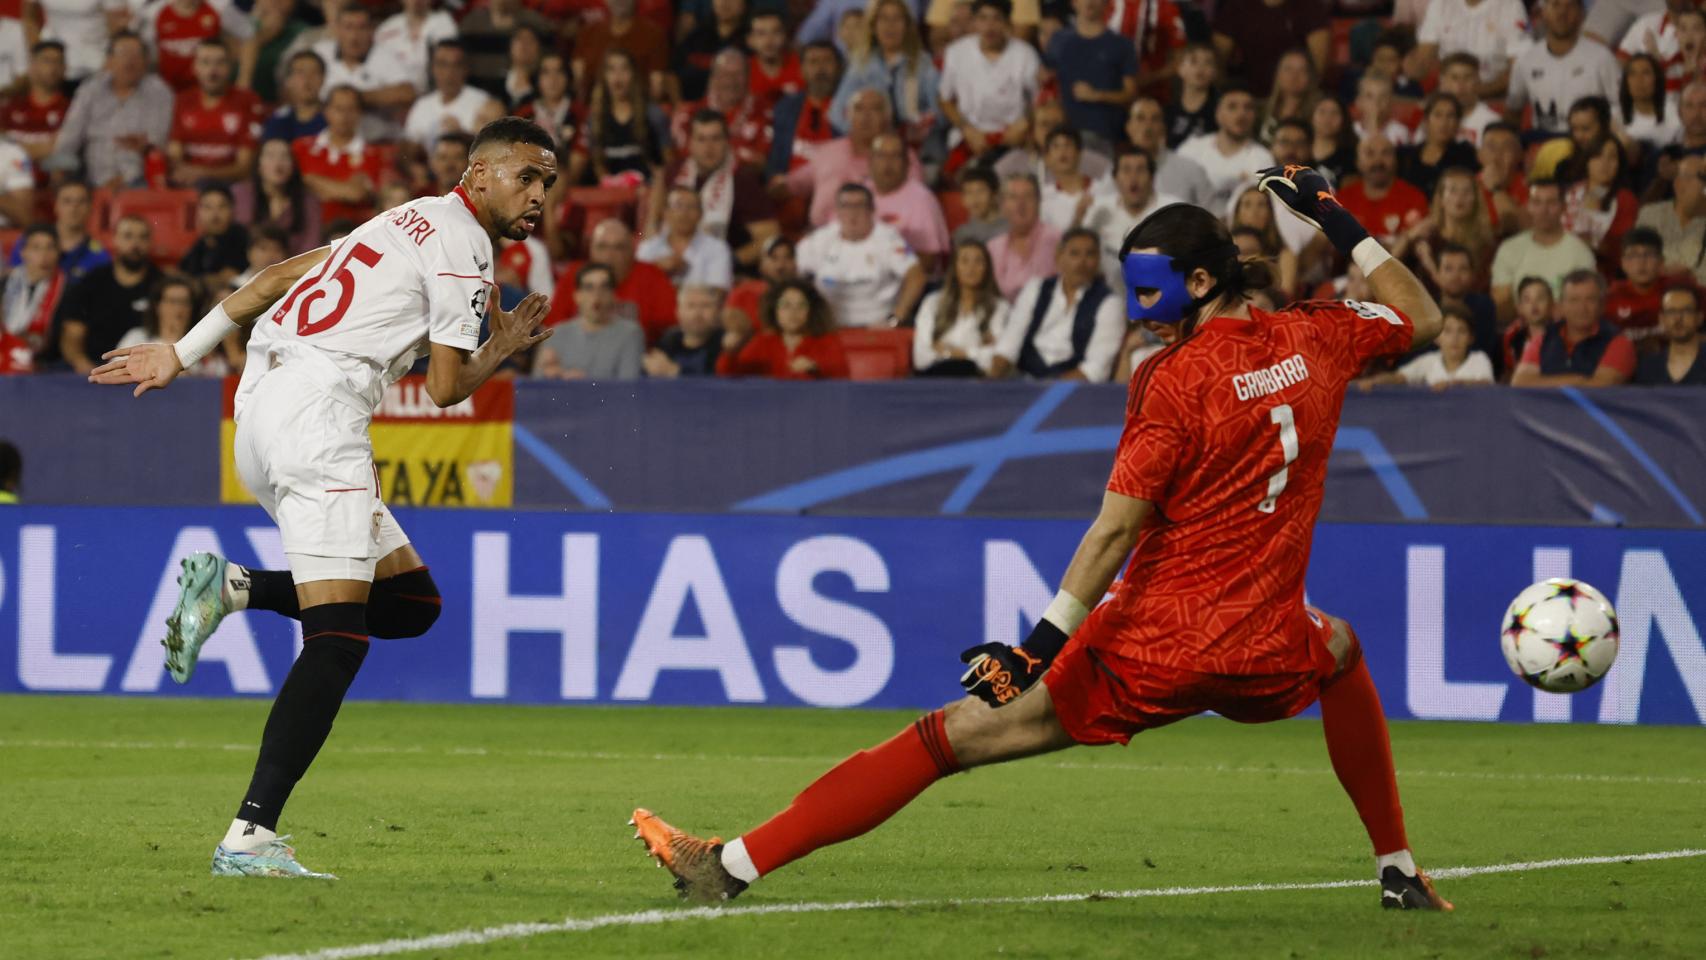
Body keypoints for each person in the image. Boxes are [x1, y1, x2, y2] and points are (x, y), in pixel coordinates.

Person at [630, 167, 1454, 916]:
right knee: (1340, 646)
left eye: (1150, 293)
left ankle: (730, 864)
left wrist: (1036, 648)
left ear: (1200, 283)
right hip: (1265, 640)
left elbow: (1116, 529)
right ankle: (1398, 869)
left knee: (944, 738)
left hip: (1154, 644)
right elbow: (1422, 314)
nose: (1140, 312)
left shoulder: (1173, 379)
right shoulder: (1316, 338)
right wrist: (1333, 217)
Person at [87, 117, 559, 879]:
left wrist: (181, 352)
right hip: (320, 418)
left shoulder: (400, 219)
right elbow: (444, 390)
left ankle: (233, 587)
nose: (538, 195)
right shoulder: (467, 246)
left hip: (262, 410)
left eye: (548, 184)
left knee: (409, 604)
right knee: (337, 640)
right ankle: (249, 837)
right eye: (526, 176)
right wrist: (500, 350)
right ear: (477, 176)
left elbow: (273, 280)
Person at [43, 31, 174, 189]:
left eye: (136, 55)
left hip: (139, 180)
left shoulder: (159, 92)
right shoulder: (91, 90)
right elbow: (69, 137)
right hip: (91, 182)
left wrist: (123, 179)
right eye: (123, 54)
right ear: (109, 60)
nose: (129, 61)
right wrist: (59, 170)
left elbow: (158, 144)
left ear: (146, 61)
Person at [990, 226, 1123, 380]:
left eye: (1090, 254)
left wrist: (1049, 392)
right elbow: (1008, 346)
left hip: (1073, 391)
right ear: (1059, 257)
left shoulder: (1110, 303)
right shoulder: (1036, 288)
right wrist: (989, 386)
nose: (1082, 262)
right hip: (1025, 380)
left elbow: (1096, 368)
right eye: (1074, 254)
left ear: (1098, 260)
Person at [659, 109, 780, 268]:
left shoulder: (743, 181)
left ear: (727, 142)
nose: (708, 148)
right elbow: (649, 226)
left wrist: (731, 260)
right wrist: (650, 251)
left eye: (715, 139)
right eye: (701, 139)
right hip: (669, 264)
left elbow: (769, 236)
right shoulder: (673, 172)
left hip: (722, 272)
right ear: (690, 144)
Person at [796, 183, 926, 328]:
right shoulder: (818, 241)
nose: (853, 212)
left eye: (859, 205)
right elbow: (793, 276)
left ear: (871, 210)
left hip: (877, 326)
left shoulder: (889, 238)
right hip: (829, 326)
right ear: (837, 211)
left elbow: (916, 276)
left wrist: (894, 320)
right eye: (846, 206)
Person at [938, 0, 1038, 174]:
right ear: (974, 22)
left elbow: (1041, 100)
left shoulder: (1025, 54)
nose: (989, 26)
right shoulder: (956, 52)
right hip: (971, 137)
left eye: (997, 19)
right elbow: (944, 99)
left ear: (1008, 23)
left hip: (1014, 138)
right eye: (983, 19)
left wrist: (1025, 123)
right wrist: (967, 129)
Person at [829, 0, 940, 153]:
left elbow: (940, 113)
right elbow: (835, 112)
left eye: (897, 19)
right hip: (872, 150)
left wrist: (923, 126)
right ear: (874, 27)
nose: (890, 26)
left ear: (907, 26)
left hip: (916, 149)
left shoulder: (924, 65)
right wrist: (863, 134)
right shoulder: (861, 64)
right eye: (884, 19)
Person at [56, 215, 162, 375]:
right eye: (128, 236)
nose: (135, 244)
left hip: (147, 373)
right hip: (94, 369)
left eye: (143, 237)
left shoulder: (161, 285)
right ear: (114, 240)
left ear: (150, 242)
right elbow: (72, 334)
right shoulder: (90, 283)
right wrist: (84, 365)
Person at [545, 219, 678, 339]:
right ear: (590, 250)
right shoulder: (574, 274)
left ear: (632, 251)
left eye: (619, 247)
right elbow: (553, 327)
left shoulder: (652, 276)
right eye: (602, 247)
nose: (610, 255)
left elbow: (672, 326)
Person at [1508, 0, 1620, 137]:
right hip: (1543, 142)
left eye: (1570, 6)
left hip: (1590, 142)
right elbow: (1513, 111)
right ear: (1543, 13)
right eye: (1555, 5)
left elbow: (1620, 106)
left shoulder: (1603, 58)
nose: (1562, 12)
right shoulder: (1525, 61)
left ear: (1582, 14)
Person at [1490, 180, 1596, 323]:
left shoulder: (1580, 253)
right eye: (1537, 202)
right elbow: (1500, 305)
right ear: (1528, 206)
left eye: (1551, 203)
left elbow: (1586, 306)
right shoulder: (1509, 249)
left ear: (1563, 207)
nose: (1544, 210)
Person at [1511, 268, 1636, 386]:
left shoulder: (1619, 342)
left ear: (1602, 305)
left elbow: (1600, 387)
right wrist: (1579, 380)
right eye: (1574, 300)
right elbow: (1520, 382)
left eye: (1590, 300)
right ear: (1561, 306)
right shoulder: (1543, 339)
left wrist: (1542, 382)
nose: (1582, 308)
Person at [168, 40, 265, 188]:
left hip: (232, 186)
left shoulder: (248, 101)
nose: (212, 71)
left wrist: (202, 173)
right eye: (205, 62)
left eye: (220, 63)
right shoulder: (183, 100)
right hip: (188, 183)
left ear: (230, 67)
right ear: (195, 67)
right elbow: (175, 155)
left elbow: (244, 168)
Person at [717, 277, 850, 379]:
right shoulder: (763, 343)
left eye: (801, 305)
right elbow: (729, 377)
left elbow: (842, 375)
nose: (794, 312)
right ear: (774, 311)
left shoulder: (827, 341)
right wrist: (730, 353)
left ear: (811, 311)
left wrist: (816, 368)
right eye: (786, 306)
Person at [1082, 147, 1176, 289]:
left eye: (1140, 170)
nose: (1133, 178)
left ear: (1152, 177)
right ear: (1115, 178)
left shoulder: (1173, 209)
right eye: (1126, 170)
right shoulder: (1098, 209)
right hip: (1106, 291)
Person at [1049, 0, 1138, 150]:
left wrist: (1097, 95)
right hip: (1063, 136)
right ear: (1073, 3)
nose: (1089, 2)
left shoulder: (1122, 45)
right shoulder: (1058, 40)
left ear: (1106, 3)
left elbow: (1131, 94)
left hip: (1105, 136)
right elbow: (1047, 80)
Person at [913, 239, 1010, 375]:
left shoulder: (1000, 308)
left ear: (987, 268)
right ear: (954, 267)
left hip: (979, 381)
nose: (971, 268)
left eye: (978, 261)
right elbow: (921, 358)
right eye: (965, 261)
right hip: (937, 380)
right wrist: (977, 352)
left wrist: (958, 353)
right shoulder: (932, 303)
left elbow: (999, 357)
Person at [535, 262, 645, 380]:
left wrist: (582, 384)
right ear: (577, 296)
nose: (596, 295)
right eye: (589, 288)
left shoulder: (630, 333)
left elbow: (628, 389)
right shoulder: (555, 334)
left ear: (613, 295)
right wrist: (550, 377)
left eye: (604, 287)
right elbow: (534, 386)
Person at [580, 49, 670, 188]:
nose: (618, 76)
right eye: (611, 69)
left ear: (634, 75)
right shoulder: (595, 118)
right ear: (604, 76)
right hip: (611, 193)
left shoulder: (653, 114)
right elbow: (599, 165)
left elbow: (667, 163)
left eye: (624, 69)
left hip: (646, 190)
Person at [1176, 87, 1275, 212]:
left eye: (1248, 108)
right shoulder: (1191, 150)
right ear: (1218, 113)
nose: (1241, 114)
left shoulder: (1263, 158)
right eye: (1232, 107)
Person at [867, 131, 950, 271]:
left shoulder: (922, 199)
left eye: (895, 156)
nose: (888, 163)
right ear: (870, 162)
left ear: (906, 164)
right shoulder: (860, 193)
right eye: (881, 156)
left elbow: (929, 261)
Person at [117, 275, 230, 377]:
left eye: (184, 302)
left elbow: (219, 380)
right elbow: (116, 372)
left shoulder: (202, 342)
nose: (178, 309)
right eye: (172, 301)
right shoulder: (136, 338)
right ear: (158, 306)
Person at [1211, 0, 1330, 96]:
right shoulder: (1236, 6)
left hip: (1295, 96)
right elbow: (1216, 61)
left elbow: (1317, 66)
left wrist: (1303, 99)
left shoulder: (1310, 6)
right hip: (1250, 97)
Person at [1356, 307, 1494, 389]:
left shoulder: (1479, 360)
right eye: (1448, 331)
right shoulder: (1429, 362)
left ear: (1471, 338)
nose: (1455, 338)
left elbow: (1486, 385)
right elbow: (1399, 377)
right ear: (1437, 337)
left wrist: (1454, 385)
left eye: (1462, 331)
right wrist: (1373, 382)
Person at [1413, 0, 1529, 99]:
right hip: (1448, 95)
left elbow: (1519, 68)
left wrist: (1482, 90)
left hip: (1495, 95)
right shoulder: (1440, 3)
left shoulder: (1511, 5)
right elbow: (1424, 55)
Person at [1337, 135, 1430, 249]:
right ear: (1358, 162)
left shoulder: (1414, 198)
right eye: (1370, 154)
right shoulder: (1342, 200)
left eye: (1385, 153)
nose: (1378, 162)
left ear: (1396, 160)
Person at [7, 180, 109, 283]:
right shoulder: (29, 241)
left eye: (81, 201)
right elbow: (12, 283)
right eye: (67, 201)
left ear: (90, 207)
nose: (74, 207)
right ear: (56, 205)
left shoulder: (98, 255)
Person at [233, 137, 320, 257]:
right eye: (270, 156)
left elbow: (311, 249)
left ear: (293, 166)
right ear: (259, 165)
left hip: (294, 272)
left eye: (284, 157)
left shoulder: (309, 202)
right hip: (244, 271)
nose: (278, 163)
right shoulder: (239, 195)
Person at [1562, 134, 1639, 270]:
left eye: (1612, 157)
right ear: (1587, 161)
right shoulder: (1570, 193)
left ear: (1619, 164)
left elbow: (1623, 248)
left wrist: (1593, 243)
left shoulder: (1625, 200)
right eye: (1597, 156)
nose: (1604, 163)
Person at [636, 185, 735, 290]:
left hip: (699, 305)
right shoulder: (647, 248)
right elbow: (638, 291)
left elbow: (718, 292)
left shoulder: (717, 249)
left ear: (701, 214)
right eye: (678, 206)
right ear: (665, 213)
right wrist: (655, 270)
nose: (684, 213)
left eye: (691, 207)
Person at [403, 41, 495, 153]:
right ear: (432, 68)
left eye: (456, 65)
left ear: (466, 69)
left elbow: (493, 149)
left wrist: (461, 134)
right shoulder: (421, 105)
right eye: (442, 64)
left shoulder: (483, 102)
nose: (449, 73)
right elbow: (406, 152)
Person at [767, 41, 841, 179]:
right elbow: (775, 158)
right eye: (813, 62)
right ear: (801, 70)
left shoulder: (851, 108)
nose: (820, 69)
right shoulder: (785, 108)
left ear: (838, 68)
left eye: (827, 61)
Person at [571, 0, 668, 104]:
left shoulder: (654, 34)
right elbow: (579, 83)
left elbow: (657, 87)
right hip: (594, 107)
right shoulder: (588, 33)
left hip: (639, 107)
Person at [1396, 94, 1478, 201]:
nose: (1444, 123)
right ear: (1426, 121)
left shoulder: (1466, 155)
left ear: (1458, 123)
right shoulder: (1405, 155)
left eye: (1450, 116)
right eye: (1438, 115)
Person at [2, 224, 64, 365]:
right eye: (36, 248)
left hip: (47, 365)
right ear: (23, 252)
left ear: (58, 252)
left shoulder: (68, 289)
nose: (44, 255)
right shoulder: (5, 284)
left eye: (50, 247)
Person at [373, 0, 459, 96]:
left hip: (432, 95)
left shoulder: (444, 24)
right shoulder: (386, 28)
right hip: (392, 96)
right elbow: (376, 70)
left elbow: (448, 65)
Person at [1039, 126, 1115, 232]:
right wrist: (1077, 220)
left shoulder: (1105, 187)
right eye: (1056, 146)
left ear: (1079, 153)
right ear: (1046, 158)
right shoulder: (1043, 199)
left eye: (1068, 145)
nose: (1062, 151)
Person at [643, 283, 724, 377]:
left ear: (718, 312)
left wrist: (675, 372)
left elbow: (718, 384)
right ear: (678, 312)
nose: (697, 313)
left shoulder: (725, 345)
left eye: (705, 306)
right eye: (691, 306)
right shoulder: (670, 340)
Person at [179, 186, 250, 292]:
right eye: (208, 207)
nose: (215, 214)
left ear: (233, 210)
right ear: (199, 212)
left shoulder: (245, 241)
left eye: (222, 207)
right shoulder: (201, 243)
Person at [1604, 227, 1667, 341]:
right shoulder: (1610, 298)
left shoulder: (1678, 289)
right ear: (1623, 263)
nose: (1641, 262)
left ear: (1661, 262)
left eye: (1649, 255)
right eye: (1633, 255)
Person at [1635, 283, 1706, 384]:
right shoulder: (1648, 366)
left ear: (1699, 318)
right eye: (1671, 311)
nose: (1678, 318)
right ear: (1662, 319)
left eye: (1686, 311)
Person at [1436, 53, 1503, 147]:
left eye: (1467, 77)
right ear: (1442, 82)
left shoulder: (1492, 122)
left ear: (1478, 81)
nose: (1460, 85)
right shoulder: (1430, 119)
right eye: (1454, 78)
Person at [262, 50, 328, 145]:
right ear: (289, 80)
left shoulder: (335, 119)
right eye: (300, 72)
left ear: (323, 78)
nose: (307, 79)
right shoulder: (278, 120)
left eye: (314, 72)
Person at [1618, 53, 1680, 152]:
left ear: (1657, 79)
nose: (1639, 80)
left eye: (1646, 73)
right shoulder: (1615, 118)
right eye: (1632, 74)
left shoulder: (1675, 113)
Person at [1165, 42, 1218, 149]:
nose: (1201, 67)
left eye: (1208, 62)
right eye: (1194, 61)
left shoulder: (1220, 111)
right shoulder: (1168, 112)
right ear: (1180, 68)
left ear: (1215, 72)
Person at [1502, 274, 1555, 374]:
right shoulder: (1512, 337)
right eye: (1527, 300)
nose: (1534, 304)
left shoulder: (1562, 334)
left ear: (1551, 304)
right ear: (1519, 308)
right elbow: (1510, 371)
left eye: (1540, 298)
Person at [952, 166, 1008, 245]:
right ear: (963, 200)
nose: (974, 198)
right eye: (968, 192)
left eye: (980, 191)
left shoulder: (1011, 230)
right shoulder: (962, 234)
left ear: (995, 195)